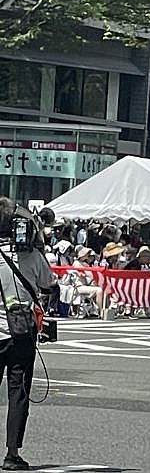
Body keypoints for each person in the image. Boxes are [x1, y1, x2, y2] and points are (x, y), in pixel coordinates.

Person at [0, 198, 57, 470]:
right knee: (18, 392)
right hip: (21, 332)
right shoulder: (32, 256)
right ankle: (12, 454)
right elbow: (49, 283)